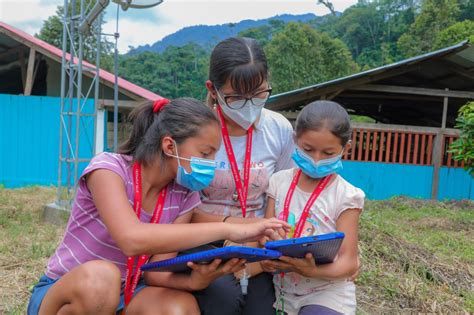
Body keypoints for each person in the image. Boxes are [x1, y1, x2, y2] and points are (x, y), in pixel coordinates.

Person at [27, 97, 288, 315]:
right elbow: (131, 239)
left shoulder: (184, 194)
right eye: (205, 153)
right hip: (68, 292)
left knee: (179, 307)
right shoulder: (109, 169)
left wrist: (196, 280)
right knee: (100, 280)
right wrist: (228, 230)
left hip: (126, 292)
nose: (210, 163)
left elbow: (155, 274)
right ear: (169, 145)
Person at [191, 37, 295, 315]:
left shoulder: (279, 130)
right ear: (212, 90)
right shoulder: (195, 132)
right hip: (202, 241)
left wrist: (260, 241)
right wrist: (230, 233)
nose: (249, 105)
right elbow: (180, 208)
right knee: (222, 299)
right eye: (236, 97)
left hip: (256, 245)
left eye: (259, 94)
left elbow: (283, 195)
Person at [261, 100, 365, 315]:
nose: (316, 160)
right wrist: (268, 255)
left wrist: (313, 270)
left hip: (327, 294)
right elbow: (265, 233)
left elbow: (348, 263)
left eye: (328, 153)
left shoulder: (346, 195)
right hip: (283, 292)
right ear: (295, 140)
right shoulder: (278, 182)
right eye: (308, 149)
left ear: (346, 148)